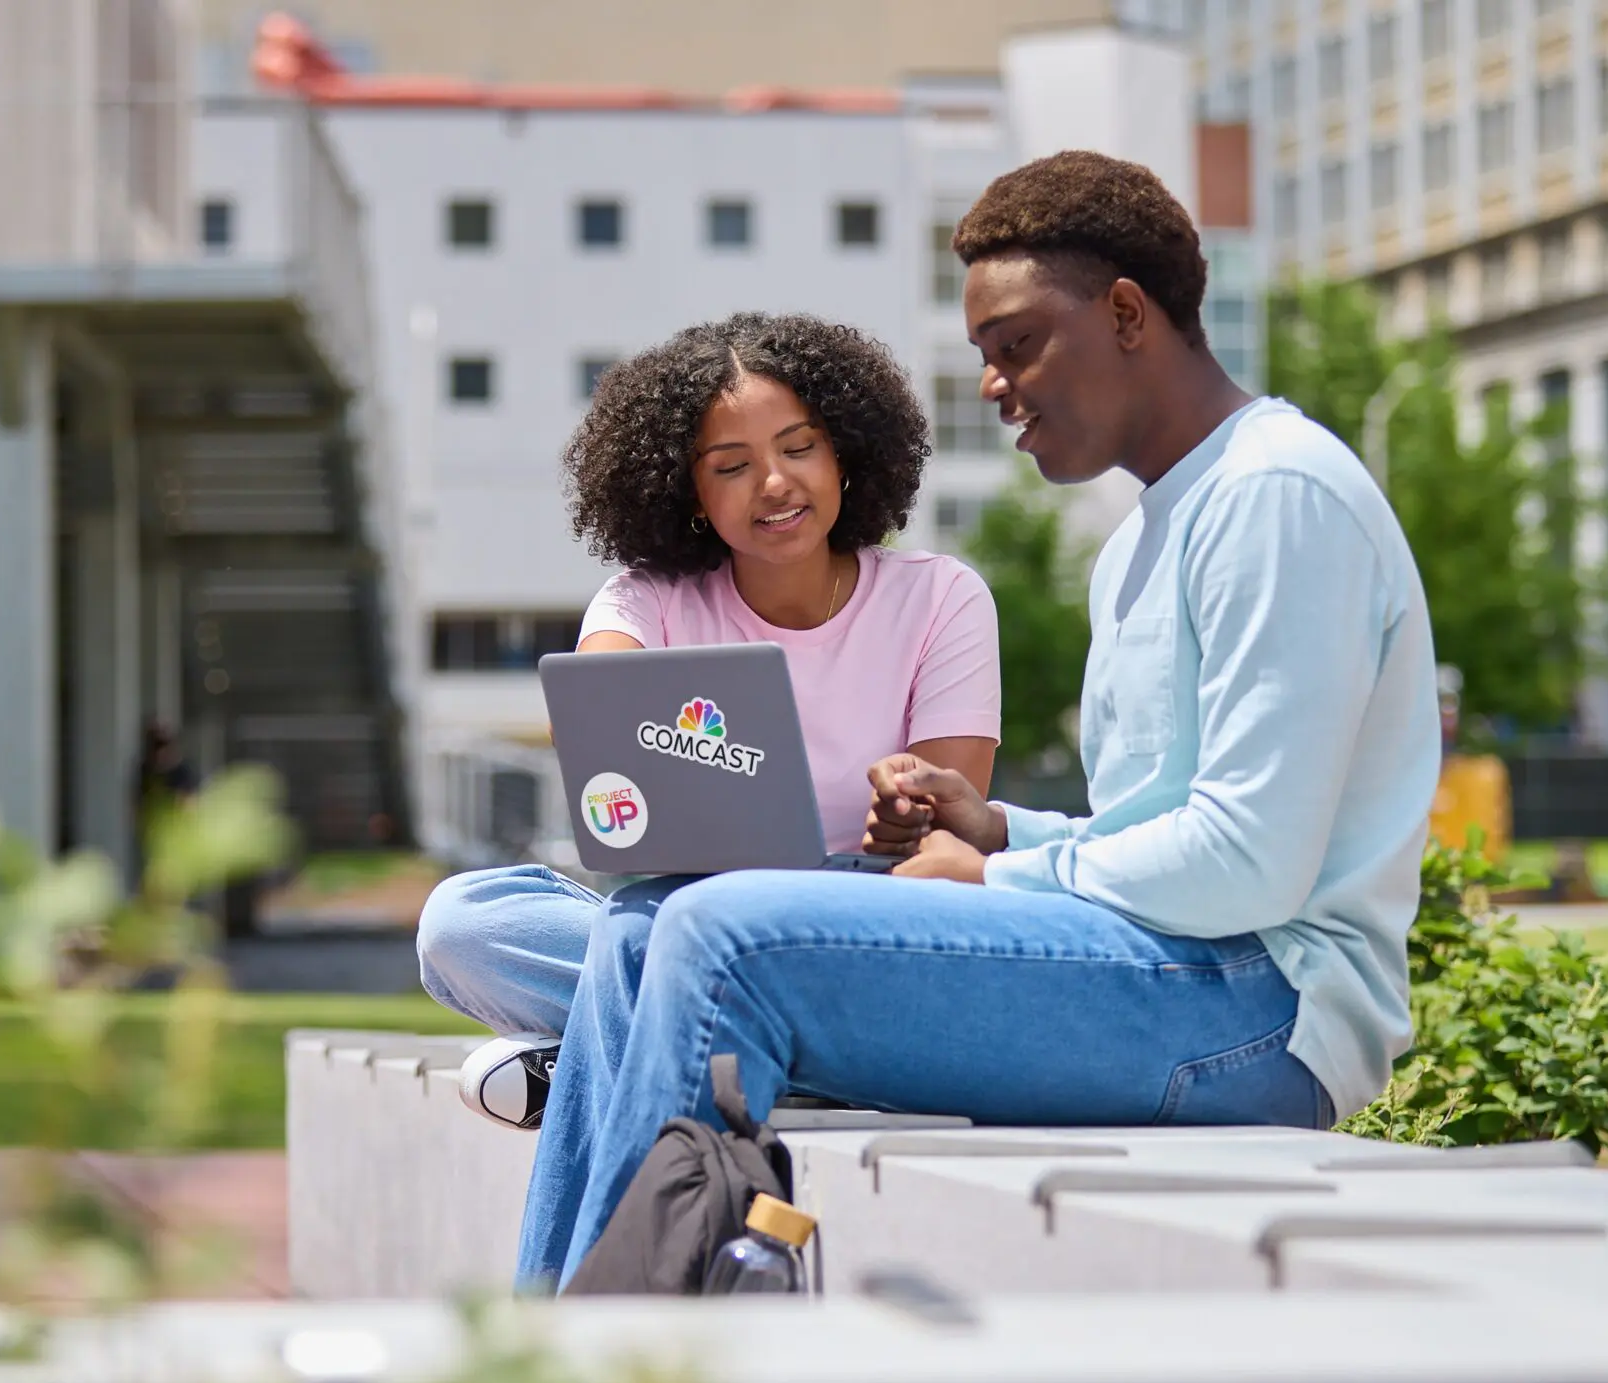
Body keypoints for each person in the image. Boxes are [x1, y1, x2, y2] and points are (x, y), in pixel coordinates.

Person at [514, 151, 1440, 1289]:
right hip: (1168, 963)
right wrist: (1001, 829)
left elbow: (1248, 867)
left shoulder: (1274, 497)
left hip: (1259, 1008)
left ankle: (615, 1379)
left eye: (1015, 347)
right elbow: (1162, 827)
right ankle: (539, 1354)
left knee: (719, 938)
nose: (995, 386)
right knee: (642, 927)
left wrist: (992, 880)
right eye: (984, 358)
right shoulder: (1150, 533)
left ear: (1125, 314)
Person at [415, 312, 1003, 1107]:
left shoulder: (941, 597)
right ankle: (782, 1061)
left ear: (845, 455)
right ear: (688, 491)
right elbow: (595, 716)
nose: (774, 483)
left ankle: (645, 1051)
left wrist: (910, 802)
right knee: (464, 926)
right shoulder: (644, 601)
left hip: (862, 924)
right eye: (731, 466)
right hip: (691, 919)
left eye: (800, 448)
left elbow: (951, 833)